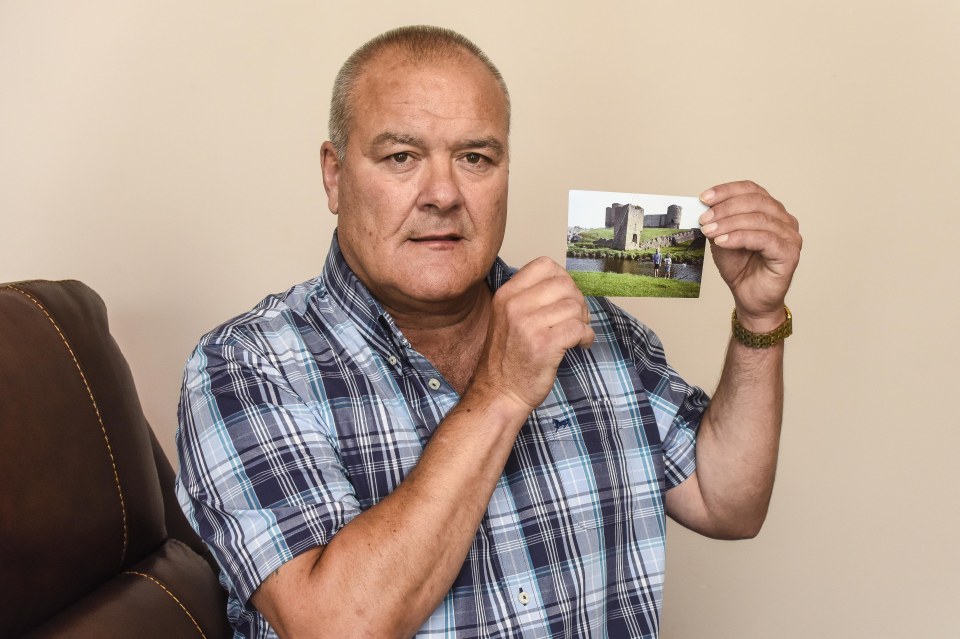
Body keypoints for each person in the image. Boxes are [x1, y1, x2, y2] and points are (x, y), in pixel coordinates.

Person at [176, 25, 801, 639]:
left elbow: (729, 504)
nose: (444, 194)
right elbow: (335, 627)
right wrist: (501, 391)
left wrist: (759, 319)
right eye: (401, 157)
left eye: (475, 158)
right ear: (334, 175)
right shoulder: (247, 365)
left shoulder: (590, 325)